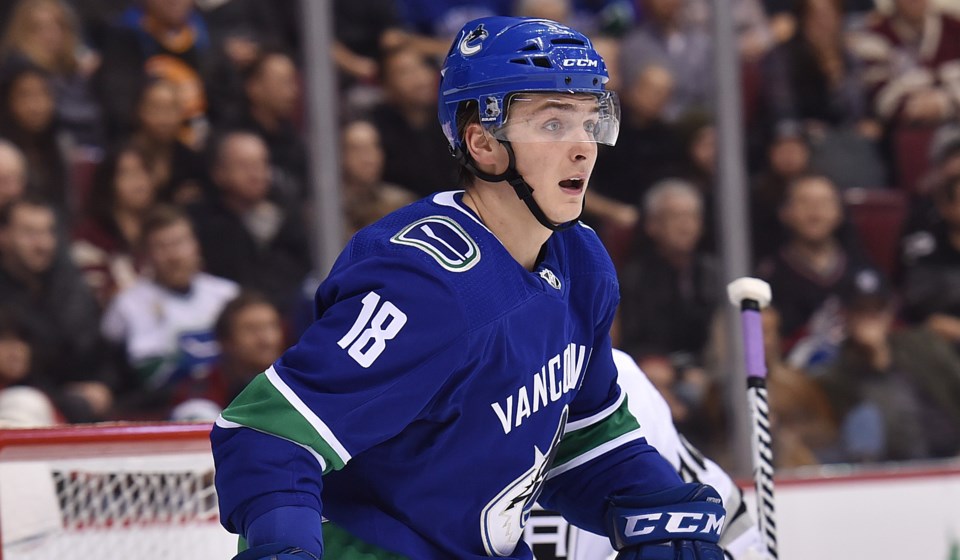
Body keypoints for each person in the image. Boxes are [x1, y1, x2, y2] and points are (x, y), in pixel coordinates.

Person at [213, 17, 726, 560]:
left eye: (589, 120)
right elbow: (268, 435)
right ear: (484, 143)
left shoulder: (583, 263)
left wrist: (657, 509)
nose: (583, 147)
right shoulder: (423, 284)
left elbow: (580, 431)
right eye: (553, 124)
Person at [101, 204, 239, 417]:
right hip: (163, 407)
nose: (174, 256)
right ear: (146, 254)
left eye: (179, 243)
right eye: (162, 246)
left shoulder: (227, 295)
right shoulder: (127, 304)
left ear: (196, 245)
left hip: (234, 397)